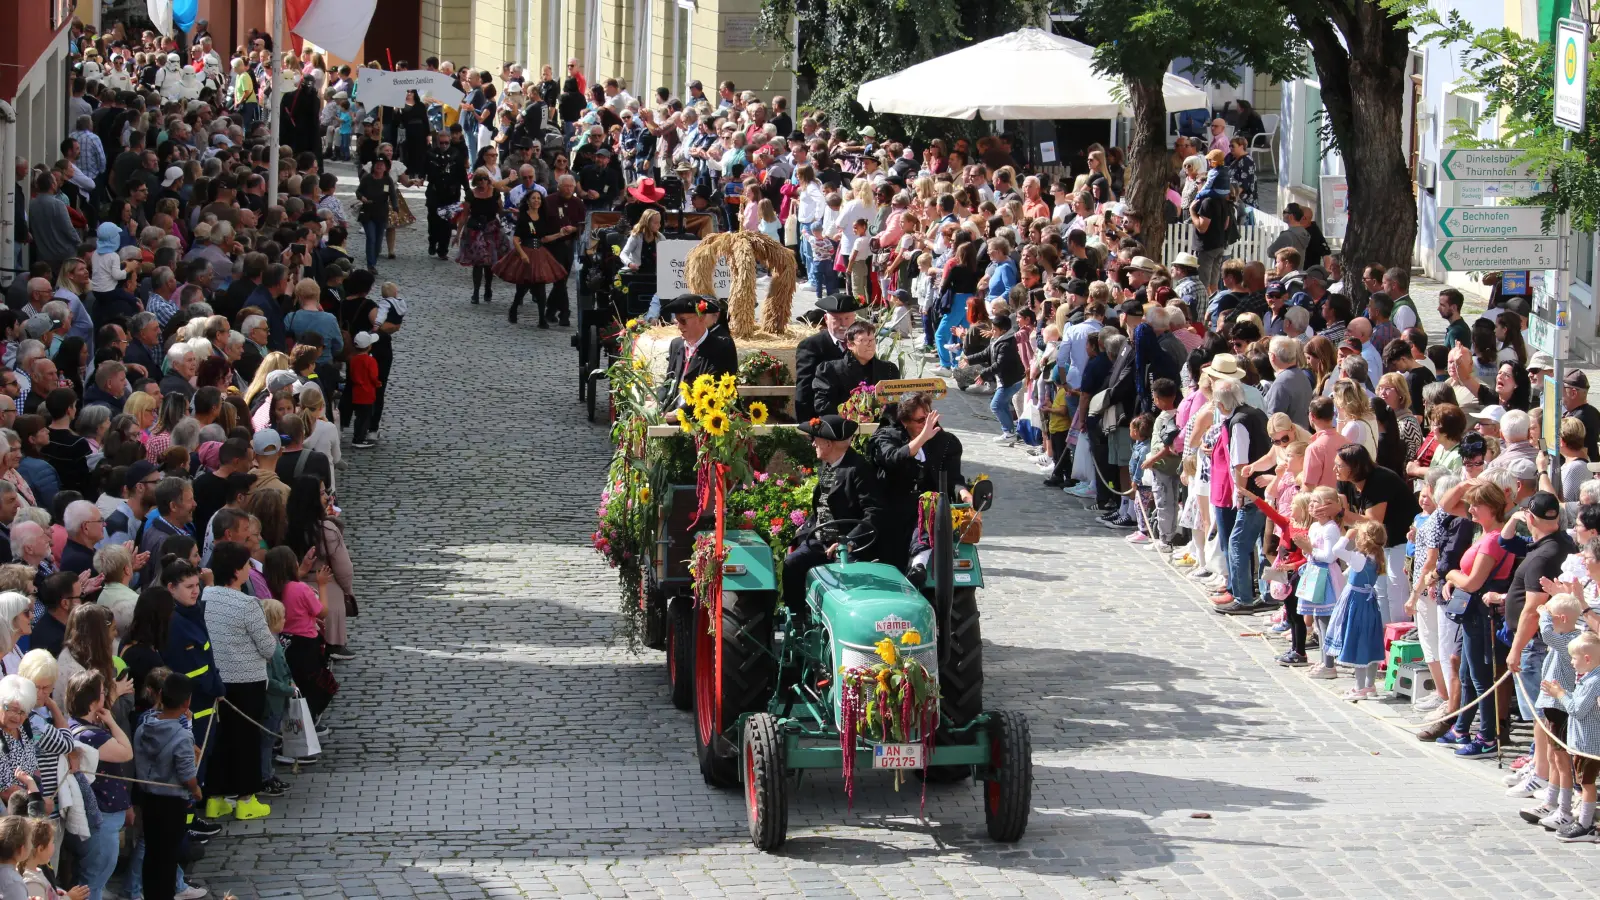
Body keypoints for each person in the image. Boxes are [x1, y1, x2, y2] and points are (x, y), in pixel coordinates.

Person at [782, 416, 886, 620]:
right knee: (792, 564)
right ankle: (797, 620)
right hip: (820, 541)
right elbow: (824, 504)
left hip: (846, 546)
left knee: (845, 580)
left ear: (829, 444)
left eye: (815, 439)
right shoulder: (827, 465)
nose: (813, 444)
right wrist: (808, 525)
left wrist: (849, 541)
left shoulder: (858, 469)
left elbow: (874, 512)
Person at [202, 540, 274, 820]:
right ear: (235, 571)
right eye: (245, 565)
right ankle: (246, 799)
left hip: (216, 679)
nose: (248, 570)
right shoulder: (247, 604)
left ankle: (215, 798)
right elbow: (268, 647)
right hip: (247, 682)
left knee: (219, 739)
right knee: (246, 740)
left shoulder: (205, 597)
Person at [133, 672, 204, 900]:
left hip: (148, 799)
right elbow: (187, 775)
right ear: (187, 703)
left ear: (161, 695)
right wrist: (196, 789)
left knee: (152, 854)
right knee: (168, 858)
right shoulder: (182, 736)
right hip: (172, 803)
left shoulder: (144, 726)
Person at [491, 189, 567, 326]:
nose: (536, 200)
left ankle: (541, 319)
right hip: (526, 251)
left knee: (540, 286)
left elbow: (543, 238)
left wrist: (559, 234)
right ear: (528, 201)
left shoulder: (543, 217)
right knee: (523, 287)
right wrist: (522, 254)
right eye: (534, 198)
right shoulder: (524, 217)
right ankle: (514, 308)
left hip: (539, 252)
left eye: (538, 198)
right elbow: (516, 239)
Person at [654, 295, 738, 415]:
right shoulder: (676, 345)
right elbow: (669, 381)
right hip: (672, 415)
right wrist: (658, 404)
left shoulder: (721, 348)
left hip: (702, 418)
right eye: (677, 321)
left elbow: (712, 391)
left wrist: (679, 414)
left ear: (701, 318)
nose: (679, 326)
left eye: (683, 321)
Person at [811, 321, 900, 418]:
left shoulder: (889, 369)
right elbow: (822, 405)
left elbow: (895, 404)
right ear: (850, 345)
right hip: (843, 424)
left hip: (881, 424)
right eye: (864, 340)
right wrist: (852, 414)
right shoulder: (830, 370)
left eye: (872, 340)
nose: (870, 344)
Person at [792, 294, 857, 421]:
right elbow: (804, 389)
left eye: (847, 318)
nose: (843, 324)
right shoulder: (811, 345)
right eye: (837, 319)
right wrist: (808, 424)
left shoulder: (861, 342)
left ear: (854, 318)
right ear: (826, 319)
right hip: (825, 419)